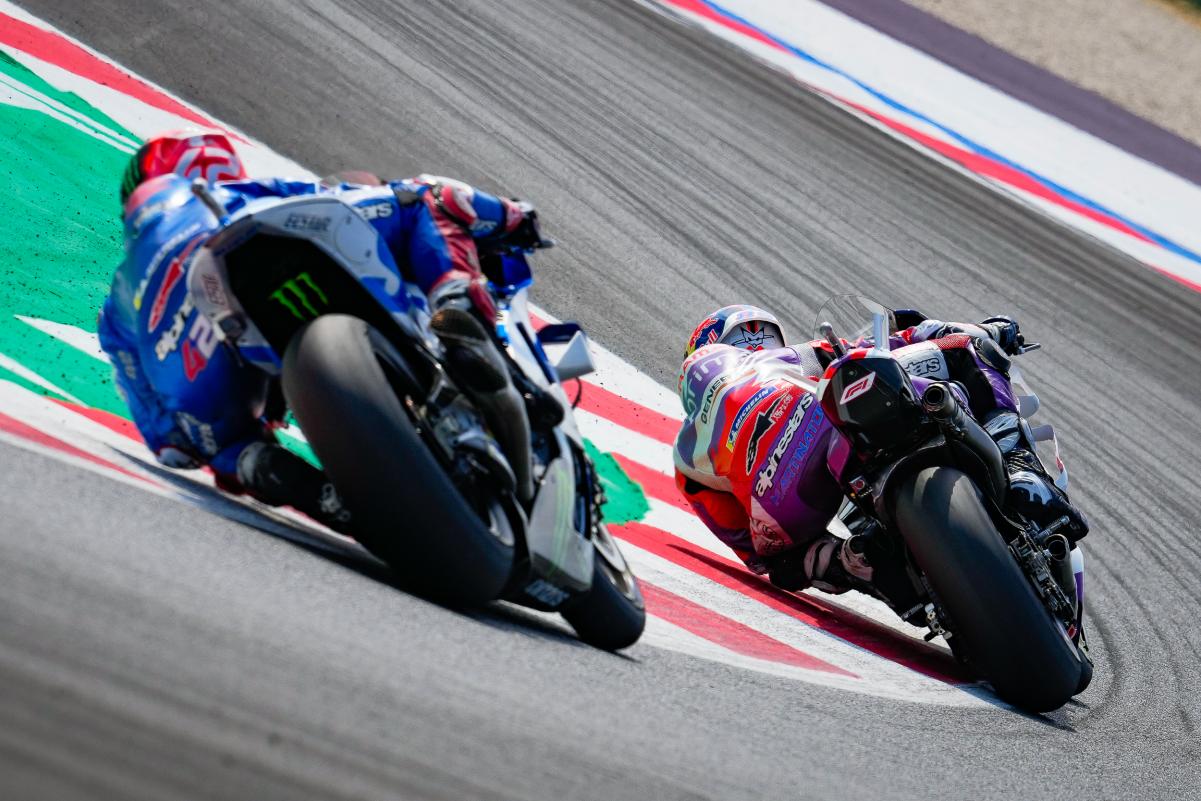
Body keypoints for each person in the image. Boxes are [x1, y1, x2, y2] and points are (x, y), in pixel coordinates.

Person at [99, 130, 551, 531]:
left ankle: (309, 491)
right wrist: (516, 222)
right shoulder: (237, 195)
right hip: (264, 266)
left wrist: (236, 447)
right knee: (427, 198)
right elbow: (342, 197)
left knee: (230, 451)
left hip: (207, 371)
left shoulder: (117, 309)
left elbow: (172, 448)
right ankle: (459, 314)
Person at [673, 304, 1088, 600]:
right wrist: (990, 331)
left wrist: (829, 562)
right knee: (965, 348)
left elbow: (758, 558)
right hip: (813, 424)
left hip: (780, 505)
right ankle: (1019, 467)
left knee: (803, 561)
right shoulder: (789, 359)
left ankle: (866, 565)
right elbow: (900, 339)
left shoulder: (688, 458)